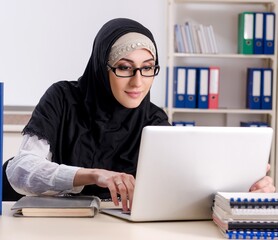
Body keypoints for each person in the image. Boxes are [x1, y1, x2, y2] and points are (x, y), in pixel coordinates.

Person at [6, 18, 275, 212]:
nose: (138, 82)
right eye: (125, 67)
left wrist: (243, 191)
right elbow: (20, 170)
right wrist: (94, 175)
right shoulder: (63, 98)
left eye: (148, 68)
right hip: (57, 225)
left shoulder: (155, 120)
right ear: (102, 67)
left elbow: (182, 185)